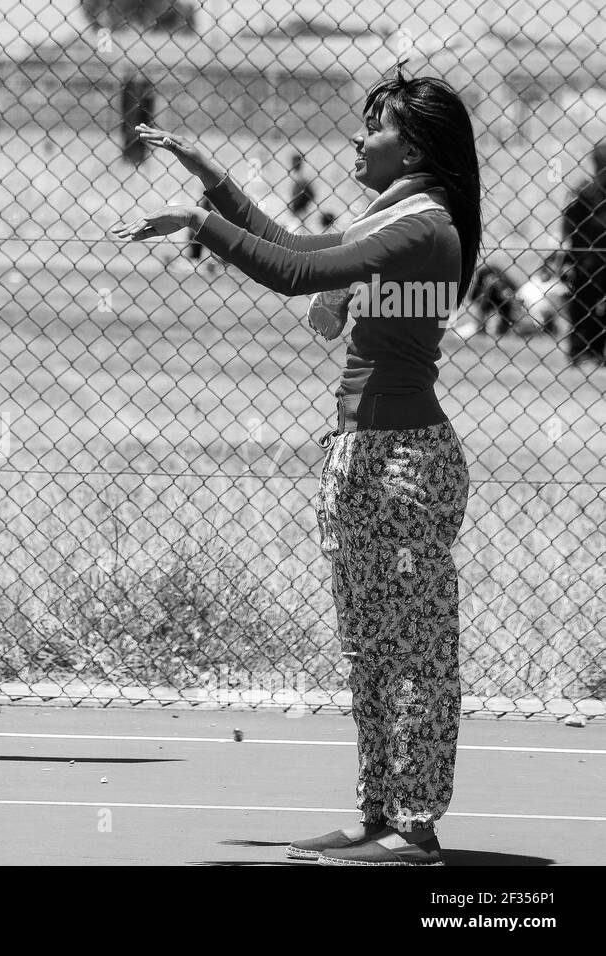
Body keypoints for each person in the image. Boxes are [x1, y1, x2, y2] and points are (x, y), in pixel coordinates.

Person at [116, 66, 478, 867]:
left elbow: (299, 274)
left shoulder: (424, 227)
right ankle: (383, 812)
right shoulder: (401, 220)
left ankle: (415, 828)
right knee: (373, 652)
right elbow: (295, 247)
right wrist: (214, 185)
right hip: (368, 457)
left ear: (412, 144)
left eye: (374, 124)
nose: (358, 136)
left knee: (411, 654)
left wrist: (202, 226)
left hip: (402, 465)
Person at [561, 142, 606, 365]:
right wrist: (568, 256)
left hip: (596, 258)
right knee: (581, 305)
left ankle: (597, 350)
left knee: (595, 308)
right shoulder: (584, 191)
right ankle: (579, 350)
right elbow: (568, 223)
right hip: (586, 260)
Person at [287, 151, 317, 232]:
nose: (294, 165)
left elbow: (312, 195)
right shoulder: (298, 179)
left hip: (300, 214)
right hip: (298, 214)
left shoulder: (302, 180)